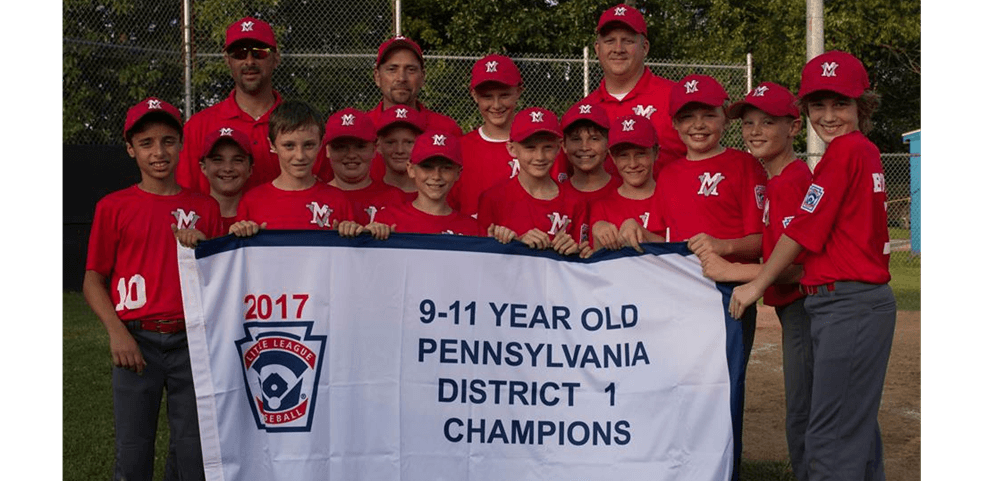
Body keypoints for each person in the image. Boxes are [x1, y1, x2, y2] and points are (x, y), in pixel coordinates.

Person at [729, 51, 895, 481]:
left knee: (828, 440)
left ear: (862, 107)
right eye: (818, 105)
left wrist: (755, 284)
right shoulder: (858, 151)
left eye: (841, 104)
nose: (829, 115)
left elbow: (803, 230)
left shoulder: (845, 152)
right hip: (850, 302)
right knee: (853, 434)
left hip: (848, 302)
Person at [83, 97, 223, 481]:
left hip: (191, 341)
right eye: (146, 143)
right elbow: (93, 279)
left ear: (181, 144)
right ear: (130, 149)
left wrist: (205, 248)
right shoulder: (114, 206)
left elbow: (220, 279)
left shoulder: (206, 208)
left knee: (193, 453)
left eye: (168, 141)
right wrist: (117, 333)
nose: (158, 152)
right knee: (133, 451)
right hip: (137, 340)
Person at [697, 82, 812, 479]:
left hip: (806, 307)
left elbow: (799, 269)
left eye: (768, 122)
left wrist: (733, 271)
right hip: (795, 308)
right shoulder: (777, 180)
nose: (755, 131)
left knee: (806, 412)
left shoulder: (793, 181)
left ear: (793, 127)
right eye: (748, 123)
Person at [177, 16, 332, 195]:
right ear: (227, 60)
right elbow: (184, 196)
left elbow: (327, 192)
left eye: (259, 53)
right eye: (239, 53)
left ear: (276, 58)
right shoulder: (198, 127)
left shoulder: (304, 126)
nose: (249, 62)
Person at [228, 100, 364, 237]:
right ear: (272, 145)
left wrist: (351, 232)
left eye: (309, 145)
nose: (300, 156)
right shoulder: (251, 202)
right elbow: (240, 248)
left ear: (321, 143)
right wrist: (239, 232)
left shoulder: (338, 200)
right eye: (289, 146)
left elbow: (350, 248)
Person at [580, 3, 686, 178]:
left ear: (645, 47)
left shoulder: (676, 97)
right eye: (610, 41)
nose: (618, 49)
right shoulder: (584, 111)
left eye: (628, 41)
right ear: (597, 49)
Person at [477, 107, 588, 256]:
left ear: (559, 148)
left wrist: (575, 251)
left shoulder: (576, 201)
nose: (539, 157)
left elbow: (584, 259)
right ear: (511, 149)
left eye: (547, 147)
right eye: (530, 148)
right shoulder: (493, 199)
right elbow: (482, 257)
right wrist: (516, 244)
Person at [361, 35, 463, 184]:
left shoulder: (446, 129)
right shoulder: (360, 129)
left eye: (411, 69)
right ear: (377, 76)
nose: (401, 78)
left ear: (422, 77)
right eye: (392, 69)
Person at [449, 54, 524, 216]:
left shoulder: (539, 145)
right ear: (474, 95)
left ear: (518, 91)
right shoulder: (459, 149)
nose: (496, 105)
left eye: (504, 95)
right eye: (487, 96)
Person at [376, 130, 480, 236]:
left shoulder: (472, 229)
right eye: (427, 167)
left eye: (446, 168)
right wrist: (371, 234)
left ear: (458, 173)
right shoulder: (387, 219)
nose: (436, 176)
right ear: (411, 169)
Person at [589, 114, 667, 251]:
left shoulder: (672, 199)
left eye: (641, 154)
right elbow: (597, 260)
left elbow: (683, 250)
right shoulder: (602, 208)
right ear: (613, 157)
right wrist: (598, 235)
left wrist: (644, 235)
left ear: (656, 153)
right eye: (623, 155)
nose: (633, 164)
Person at [323, 107, 406, 225]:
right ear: (327, 150)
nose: (351, 155)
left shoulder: (395, 198)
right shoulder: (313, 198)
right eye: (341, 147)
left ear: (374, 149)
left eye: (360, 147)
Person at [557, 100, 622, 203]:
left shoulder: (626, 191)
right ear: (564, 145)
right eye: (576, 139)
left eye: (594, 139)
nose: (584, 147)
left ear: (608, 143)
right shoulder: (554, 196)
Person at [198, 125, 254, 233]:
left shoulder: (262, 217)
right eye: (218, 160)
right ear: (203, 167)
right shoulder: (190, 217)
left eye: (237, 160)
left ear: (250, 169)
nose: (228, 168)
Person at [375, 104, 427, 197]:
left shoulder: (437, 195)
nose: (400, 150)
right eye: (391, 143)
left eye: (409, 142)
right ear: (378, 146)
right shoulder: (369, 195)